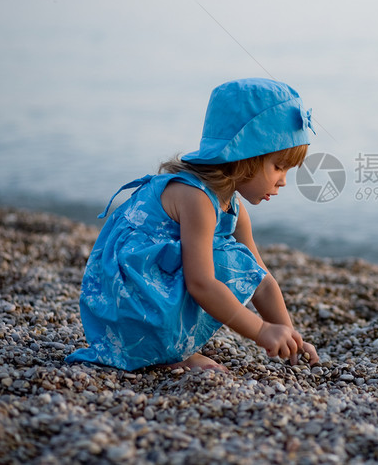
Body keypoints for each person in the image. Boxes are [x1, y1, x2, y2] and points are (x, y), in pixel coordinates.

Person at [66, 78, 319, 372]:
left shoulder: (231, 206)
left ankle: (168, 351)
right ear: (245, 156)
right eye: (278, 166)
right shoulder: (196, 198)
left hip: (149, 295)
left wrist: (289, 337)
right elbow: (201, 284)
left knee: (238, 259)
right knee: (223, 260)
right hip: (127, 304)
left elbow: (261, 280)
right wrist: (261, 331)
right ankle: (163, 355)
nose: (284, 180)